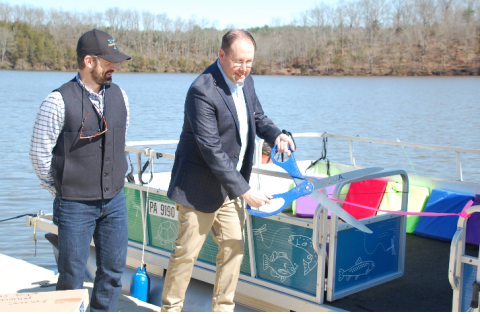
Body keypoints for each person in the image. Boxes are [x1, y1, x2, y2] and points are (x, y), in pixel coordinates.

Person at [162, 30, 295, 312]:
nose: (244, 68)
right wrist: (245, 191)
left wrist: (276, 136)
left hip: (231, 188)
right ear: (221, 55)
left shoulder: (245, 81)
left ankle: (223, 309)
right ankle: (170, 309)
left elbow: (257, 117)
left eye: (249, 62)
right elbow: (211, 149)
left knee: (234, 250)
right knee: (186, 255)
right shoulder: (202, 90)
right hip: (199, 187)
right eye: (238, 61)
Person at [29, 29, 131, 312]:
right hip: (74, 205)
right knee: (71, 277)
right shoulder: (57, 100)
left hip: (115, 202)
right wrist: (62, 189)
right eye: (108, 61)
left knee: (112, 273)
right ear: (89, 61)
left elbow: (118, 144)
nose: (115, 66)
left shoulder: (120, 97)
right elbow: (39, 155)